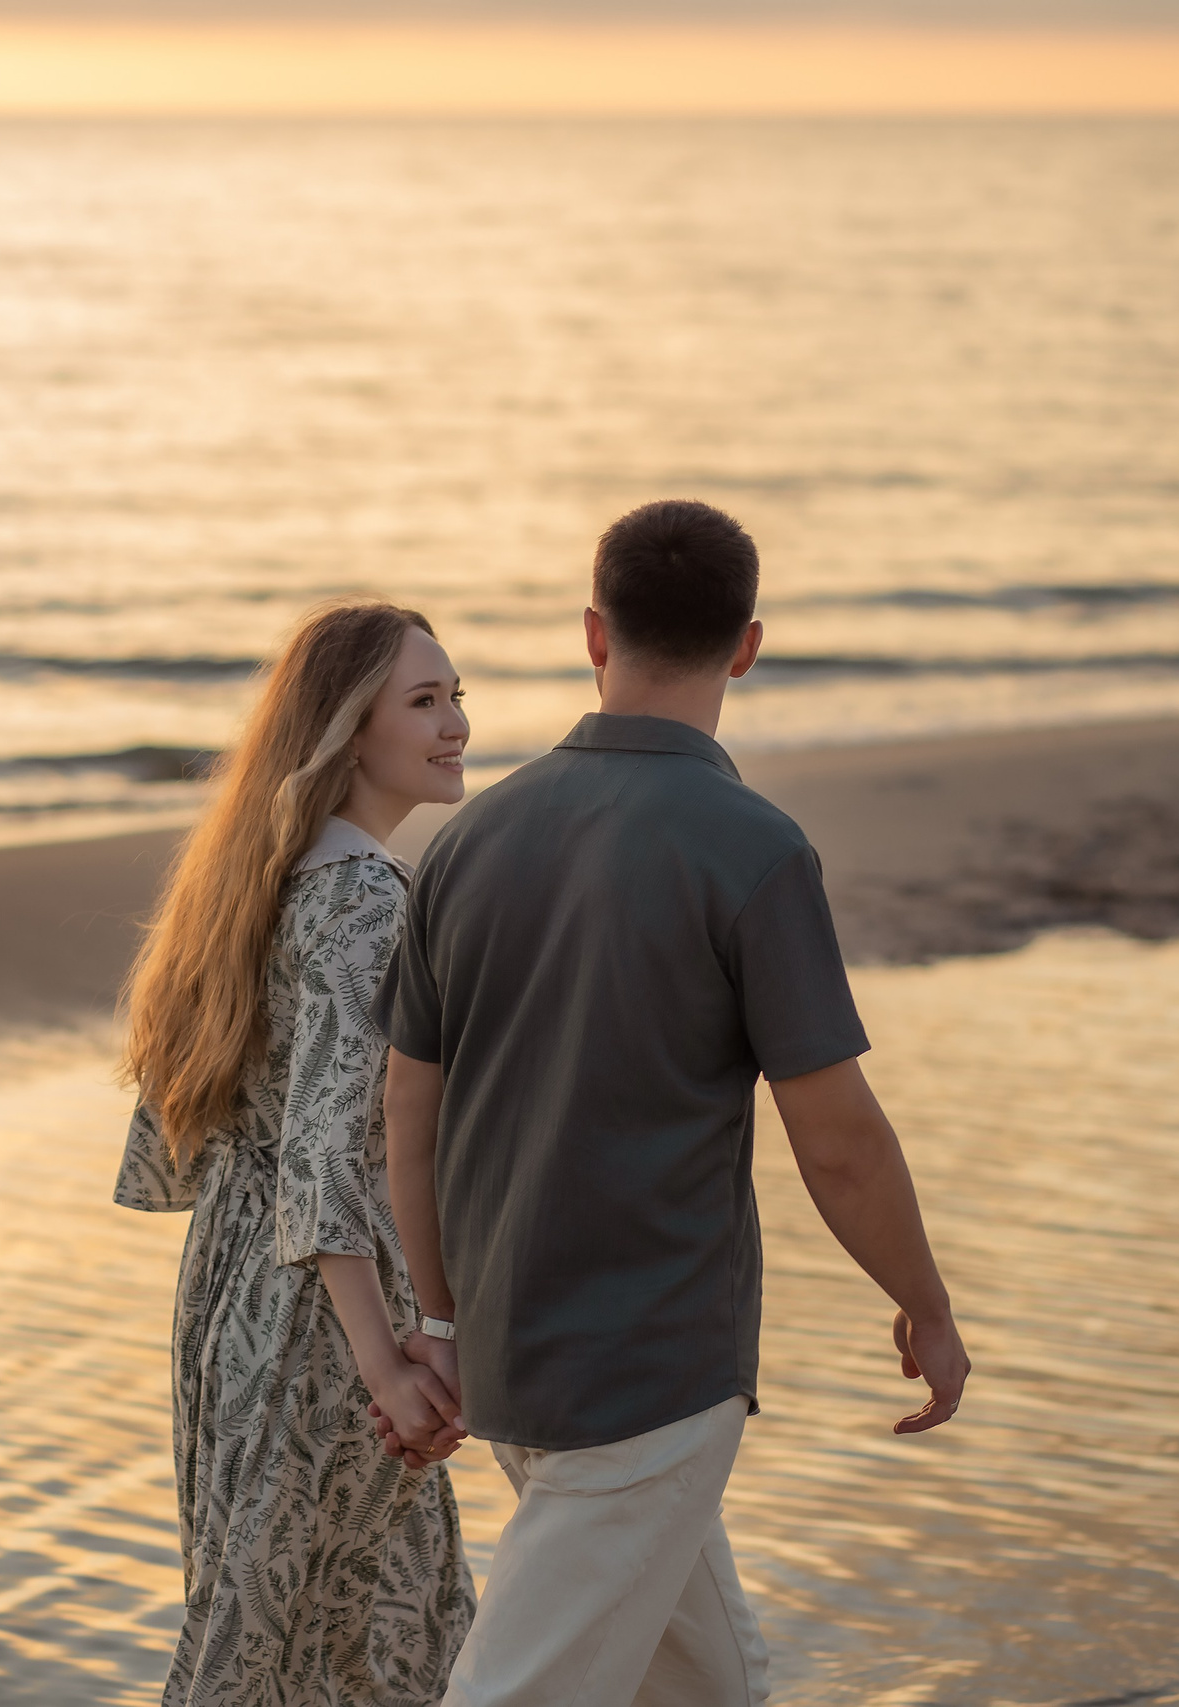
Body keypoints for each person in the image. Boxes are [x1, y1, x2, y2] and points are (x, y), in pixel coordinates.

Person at [371, 500, 972, 1707]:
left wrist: (440, 1320)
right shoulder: (752, 849)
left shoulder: (469, 840)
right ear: (745, 646)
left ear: (595, 632)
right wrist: (924, 1304)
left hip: (515, 1360)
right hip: (649, 1377)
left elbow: (409, 1120)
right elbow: (838, 1141)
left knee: (702, 1686)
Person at [114, 596, 479, 1706]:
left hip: (232, 1294)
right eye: (422, 701)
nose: (455, 721)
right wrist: (389, 1362)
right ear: (345, 732)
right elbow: (327, 1155)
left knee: (277, 1624)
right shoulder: (366, 897)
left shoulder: (254, 879)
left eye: (457, 694)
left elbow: (200, 1130)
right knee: (352, 1644)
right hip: (326, 1319)